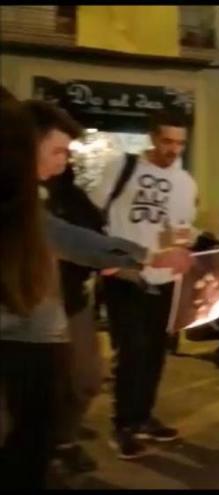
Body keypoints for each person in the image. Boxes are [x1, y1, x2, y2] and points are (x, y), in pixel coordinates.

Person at [0, 95, 192, 489]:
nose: (62, 161)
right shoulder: (16, 202)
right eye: (56, 151)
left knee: (50, 414)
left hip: (47, 327)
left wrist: (145, 256)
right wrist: (144, 256)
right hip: (21, 334)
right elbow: (69, 237)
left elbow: (78, 233)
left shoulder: (43, 194)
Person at [88, 110, 198, 459]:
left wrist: (184, 248)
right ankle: (124, 424)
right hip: (127, 275)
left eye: (180, 143)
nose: (173, 150)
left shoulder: (185, 182)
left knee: (154, 352)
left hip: (165, 280)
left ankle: (143, 416)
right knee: (132, 350)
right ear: (152, 137)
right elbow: (91, 215)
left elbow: (179, 228)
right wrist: (107, 262)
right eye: (167, 141)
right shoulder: (122, 168)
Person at [24, 100, 103, 474]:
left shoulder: (66, 192)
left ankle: (61, 442)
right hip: (27, 317)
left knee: (84, 380)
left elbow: (87, 236)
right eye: (57, 151)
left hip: (71, 302)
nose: (64, 161)